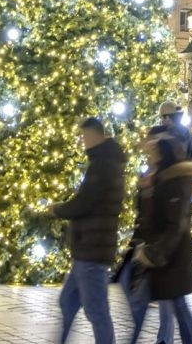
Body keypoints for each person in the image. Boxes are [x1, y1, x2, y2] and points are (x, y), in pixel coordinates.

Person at [51, 117, 125, 344]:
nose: (81, 141)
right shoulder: (104, 161)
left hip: (93, 249)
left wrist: (57, 209)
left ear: (94, 134)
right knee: (67, 301)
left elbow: (85, 202)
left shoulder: (103, 164)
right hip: (87, 248)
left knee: (96, 311)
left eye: (83, 136)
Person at [123, 134, 192, 344]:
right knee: (162, 304)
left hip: (170, 257)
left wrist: (155, 254)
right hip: (155, 255)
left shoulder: (176, 182)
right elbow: (145, 217)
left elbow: (175, 225)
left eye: (152, 153)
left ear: (163, 155)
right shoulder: (154, 179)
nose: (148, 157)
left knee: (175, 306)